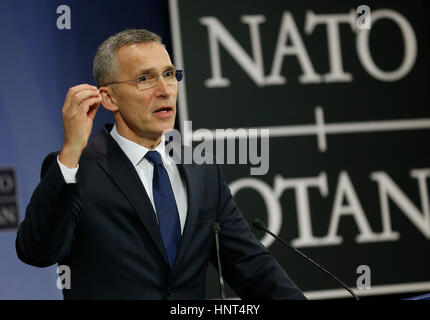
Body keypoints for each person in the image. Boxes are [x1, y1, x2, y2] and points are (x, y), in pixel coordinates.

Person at [15, 29, 306, 300]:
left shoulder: (201, 169)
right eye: (145, 79)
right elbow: (37, 252)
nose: (165, 90)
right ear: (108, 98)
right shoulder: (78, 170)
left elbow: (251, 268)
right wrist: (71, 152)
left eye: (169, 74)